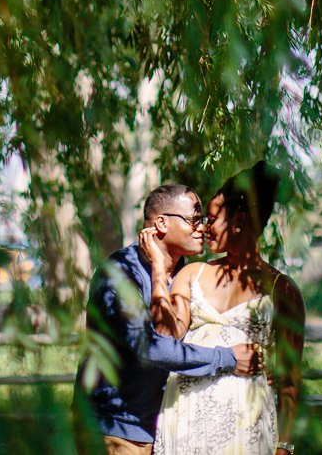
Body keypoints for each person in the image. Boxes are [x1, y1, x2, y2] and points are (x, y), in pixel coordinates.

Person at [75, 183, 263, 454]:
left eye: (204, 220)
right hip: (115, 430)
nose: (202, 228)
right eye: (193, 220)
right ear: (161, 223)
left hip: (165, 430)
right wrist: (228, 359)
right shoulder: (119, 274)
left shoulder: (186, 275)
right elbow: (150, 346)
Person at [143, 161, 305, 455]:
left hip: (247, 426)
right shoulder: (192, 274)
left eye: (213, 218)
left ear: (239, 219)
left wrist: (284, 447)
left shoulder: (282, 290)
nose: (204, 227)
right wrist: (158, 268)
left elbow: (289, 380)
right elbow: (165, 336)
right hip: (186, 420)